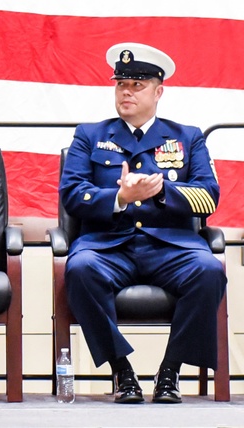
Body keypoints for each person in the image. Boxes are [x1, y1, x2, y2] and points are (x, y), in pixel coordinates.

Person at [59, 43, 225, 404]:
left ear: (158, 91)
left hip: (170, 246)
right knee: (81, 268)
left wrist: (162, 191)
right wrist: (120, 199)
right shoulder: (89, 135)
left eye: (137, 85)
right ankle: (122, 371)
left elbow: (208, 196)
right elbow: (72, 194)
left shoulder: (187, 136)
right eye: (121, 84)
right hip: (109, 245)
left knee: (209, 269)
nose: (127, 92)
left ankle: (171, 371)